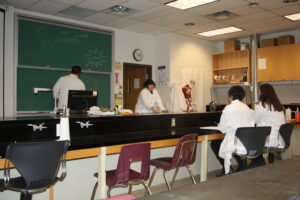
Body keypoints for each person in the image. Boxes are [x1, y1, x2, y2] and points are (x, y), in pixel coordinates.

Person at [210, 85, 255, 175]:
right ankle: (242, 165)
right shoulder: (249, 109)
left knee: (215, 143)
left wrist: (222, 126)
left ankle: (227, 168)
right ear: (243, 97)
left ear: (230, 97)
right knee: (233, 142)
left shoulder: (228, 108)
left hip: (237, 144)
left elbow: (222, 129)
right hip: (249, 143)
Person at [252, 83, 285, 164]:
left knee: (249, 139)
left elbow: (253, 120)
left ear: (263, 93)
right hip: (279, 138)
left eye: (259, 92)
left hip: (269, 139)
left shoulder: (261, 105)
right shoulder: (277, 105)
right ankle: (259, 162)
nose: (258, 94)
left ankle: (258, 162)